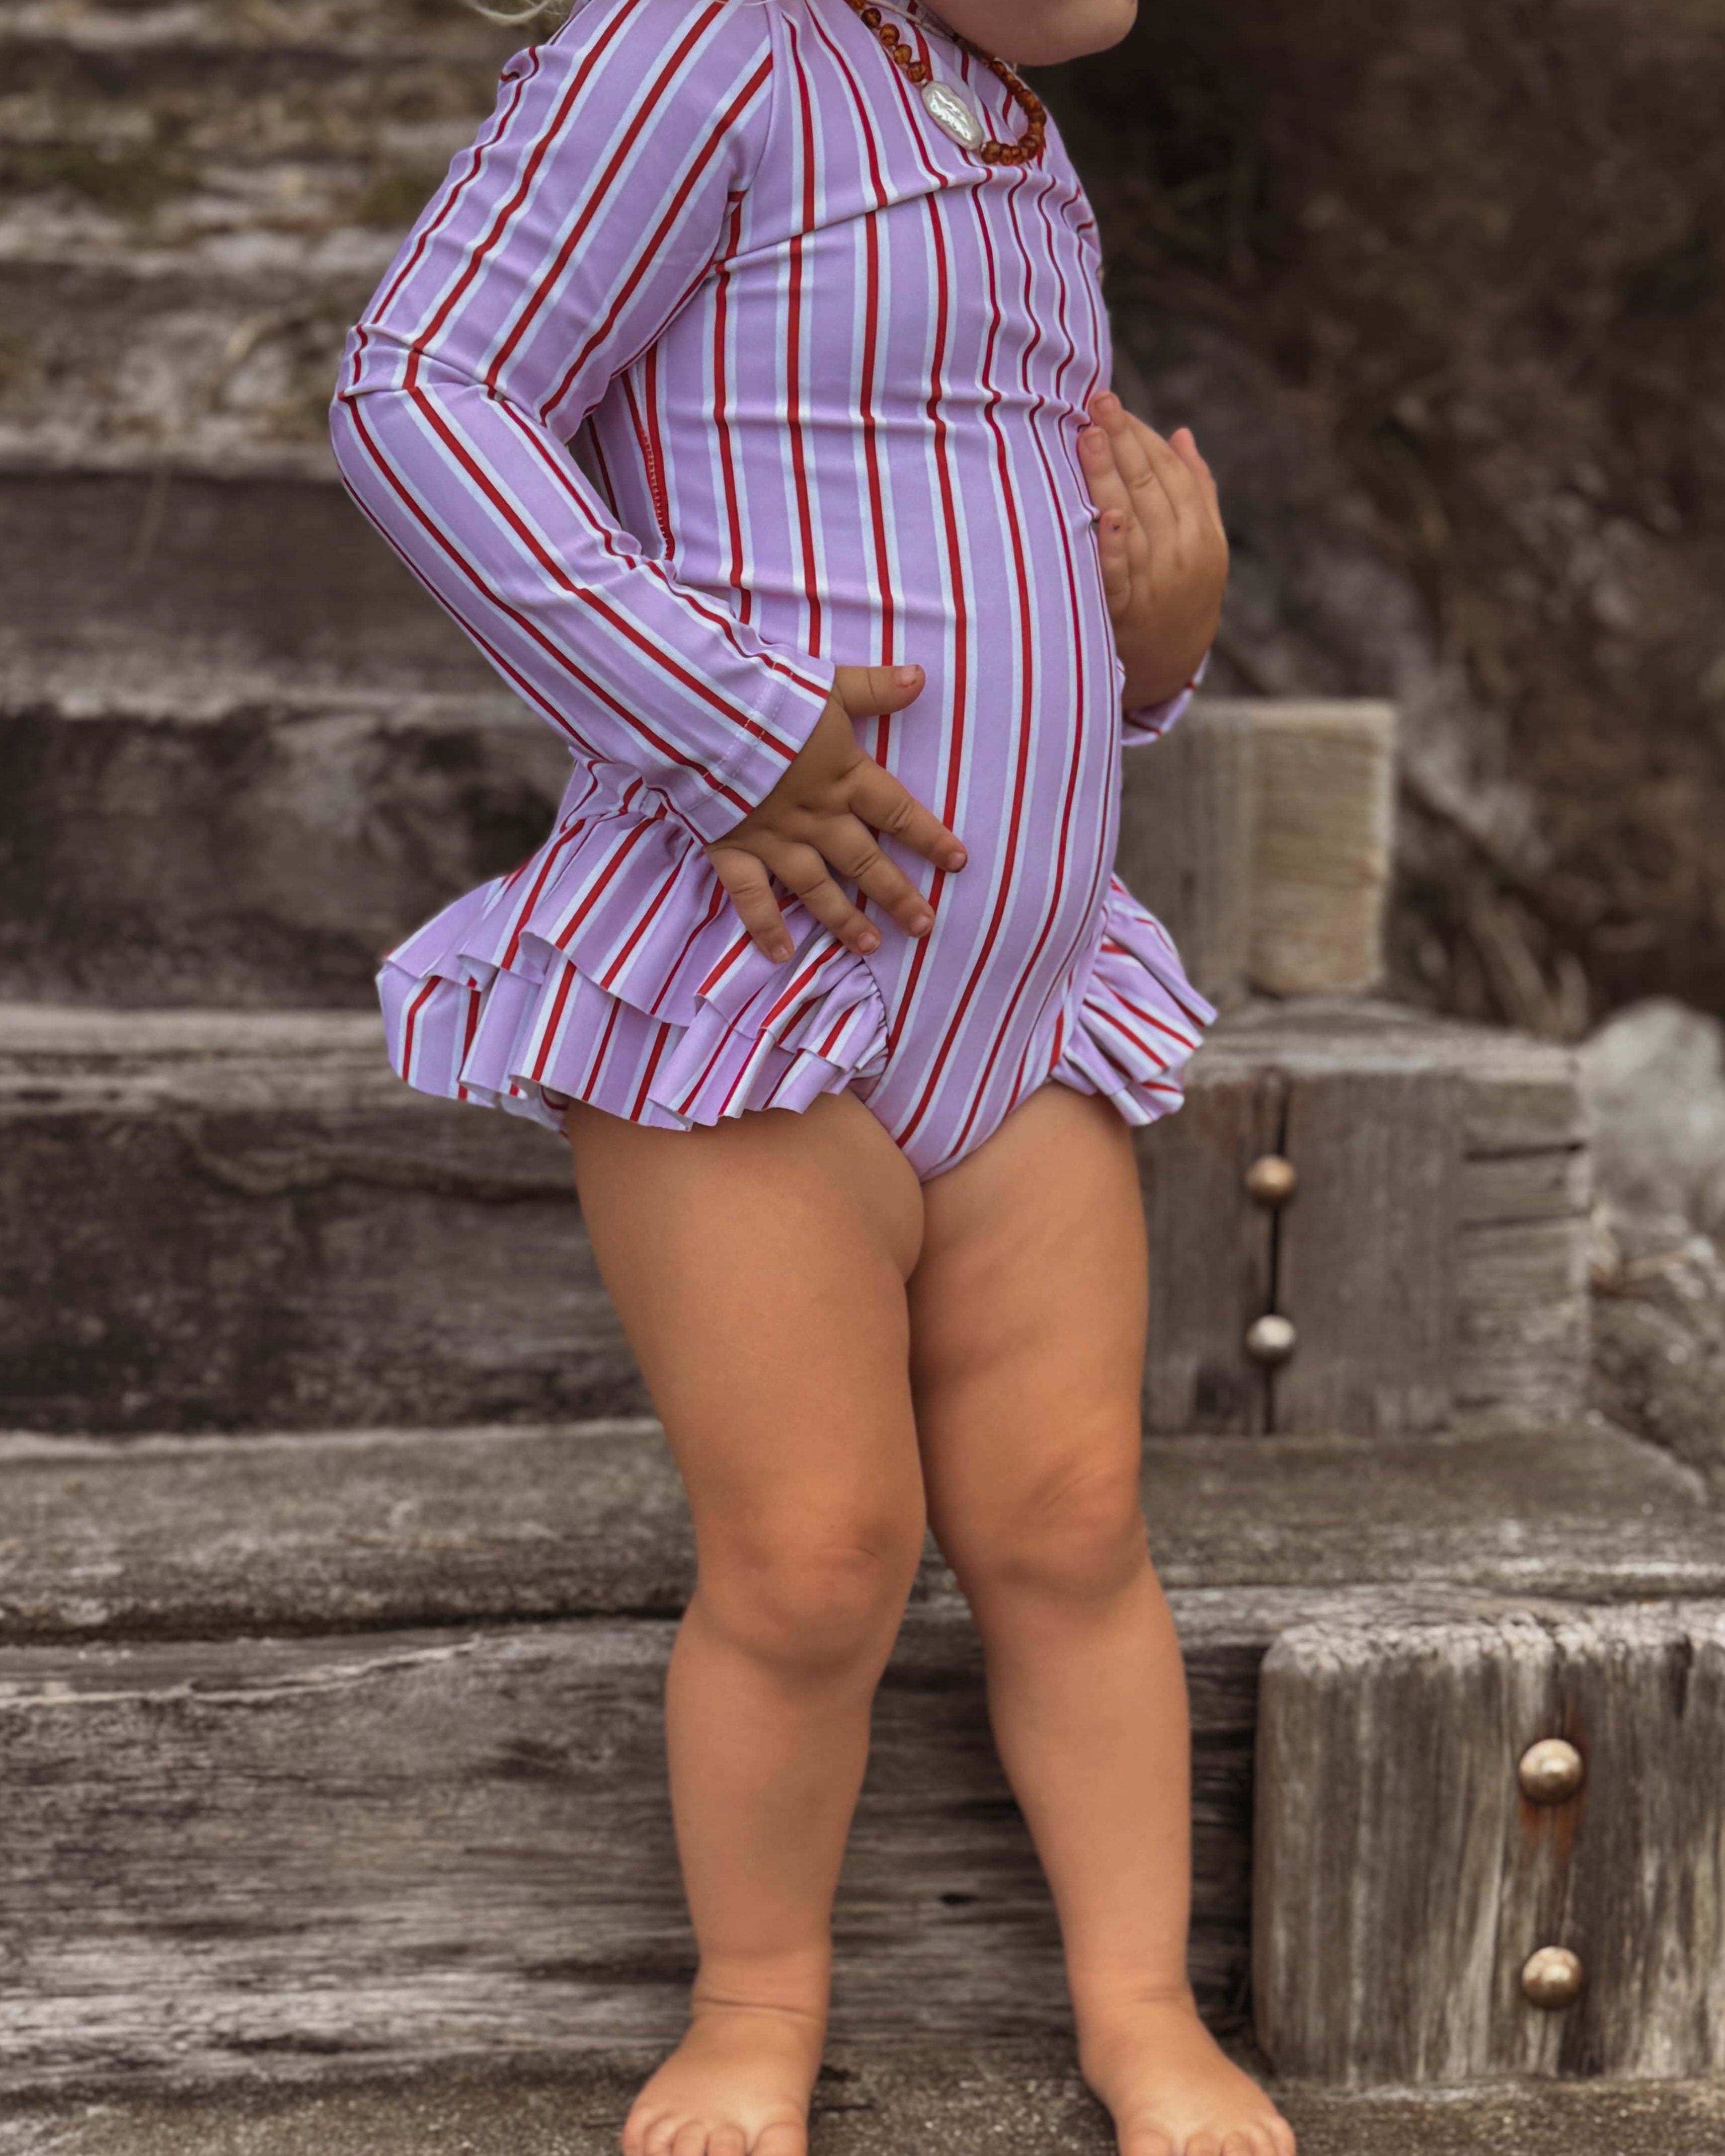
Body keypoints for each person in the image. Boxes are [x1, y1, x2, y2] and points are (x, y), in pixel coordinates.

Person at [331, 1, 1292, 2149]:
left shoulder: (1015, 136)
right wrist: (718, 721)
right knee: (818, 1553)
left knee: (1066, 1522)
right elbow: (421, 392)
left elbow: (1015, 566)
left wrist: (1165, 632)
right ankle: (755, 1999)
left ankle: (1138, 2004)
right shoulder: (707, 45)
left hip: (1010, 1001)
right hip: (750, 991)